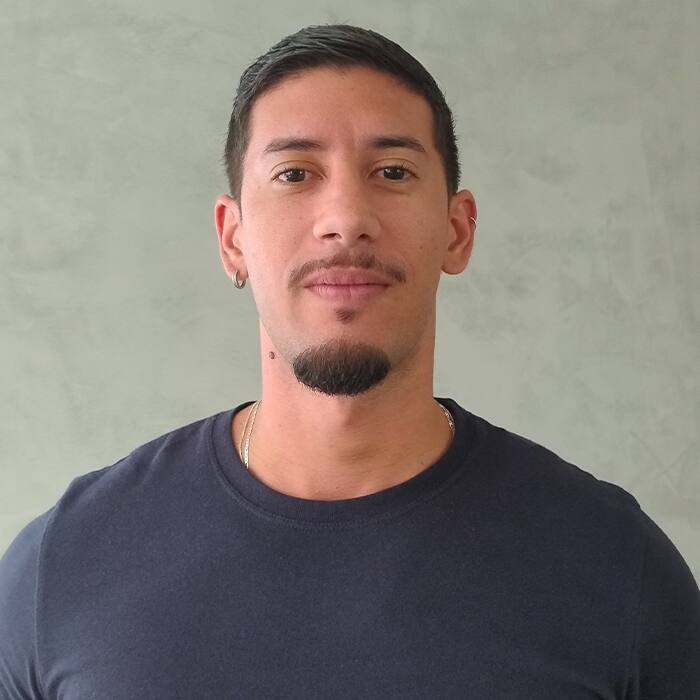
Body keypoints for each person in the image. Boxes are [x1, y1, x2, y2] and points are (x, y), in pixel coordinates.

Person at [1, 23, 698, 699]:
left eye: (392, 172)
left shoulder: (613, 566)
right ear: (233, 238)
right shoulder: (66, 565)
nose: (345, 218)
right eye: (295, 173)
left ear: (457, 231)